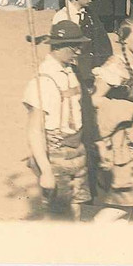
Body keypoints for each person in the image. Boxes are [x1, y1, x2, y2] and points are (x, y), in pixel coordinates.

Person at [23, 20, 92, 220]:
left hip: (77, 152)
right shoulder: (43, 80)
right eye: (74, 46)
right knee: (59, 217)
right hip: (56, 155)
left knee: (76, 211)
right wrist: (45, 171)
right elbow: (35, 130)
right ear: (58, 46)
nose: (78, 51)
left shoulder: (71, 72)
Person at [90, 19, 133, 222]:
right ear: (124, 39)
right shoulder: (114, 65)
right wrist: (129, 109)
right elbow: (95, 100)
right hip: (122, 142)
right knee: (126, 201)